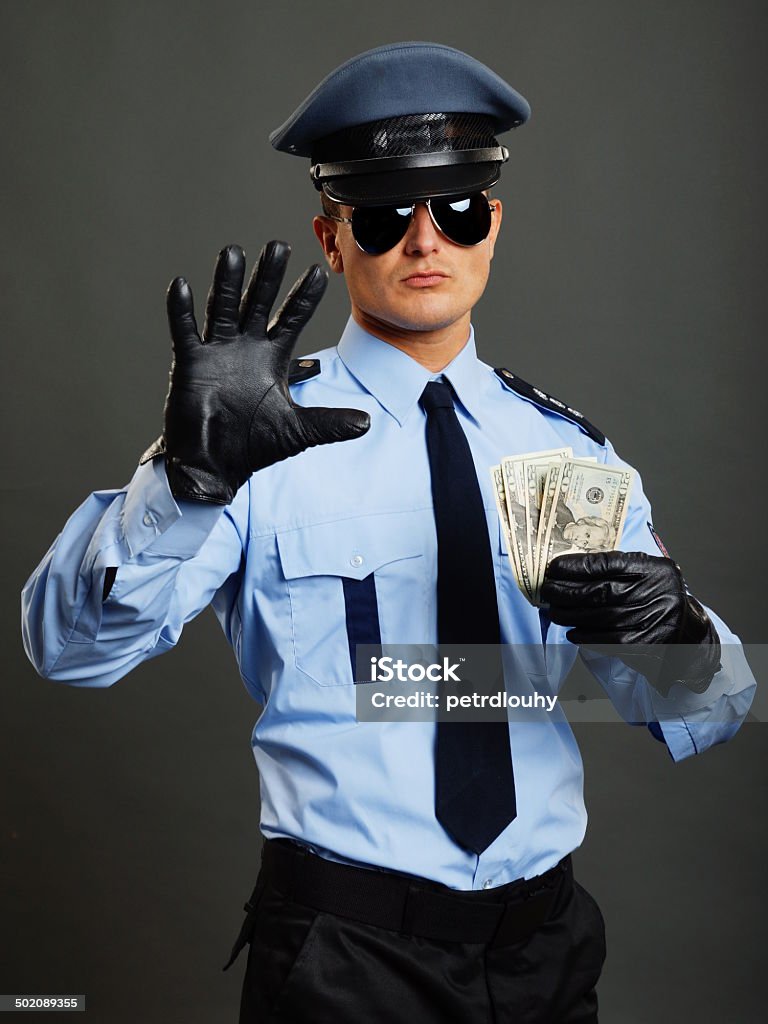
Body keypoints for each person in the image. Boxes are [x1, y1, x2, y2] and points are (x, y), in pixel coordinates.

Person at [21, 41, 755, 1024]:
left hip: (546, 954)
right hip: (344, 961)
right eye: (381, 215)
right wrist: (184, 482)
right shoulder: (253, 441)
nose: (424, 242)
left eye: (455, 209)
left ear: (491, 224)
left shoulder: (569, 455)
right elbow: (67, 650)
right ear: (332, 239)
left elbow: (701, 716)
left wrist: (675, 631)